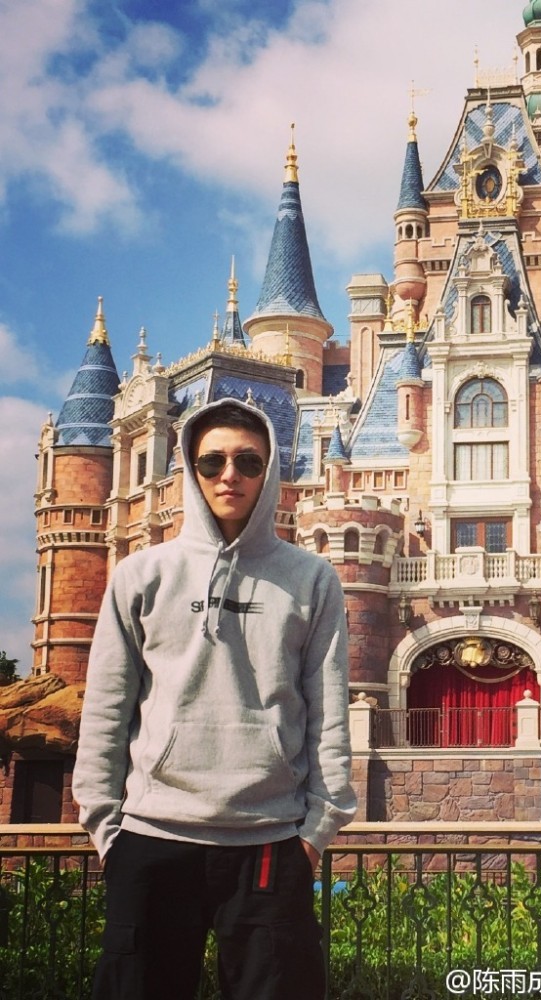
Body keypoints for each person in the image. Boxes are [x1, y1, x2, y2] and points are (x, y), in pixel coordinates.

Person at [73, 397, 356, 1000]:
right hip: (151, 838)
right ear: (191, 468)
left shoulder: (312, 578)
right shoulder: (141, 574)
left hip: (269, 841)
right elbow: (106, 707)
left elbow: (329, 711)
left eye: (249, 462)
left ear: (270, 471)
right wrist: (106, 828)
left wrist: (316, 833)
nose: (230, 475)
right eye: (213, 462)